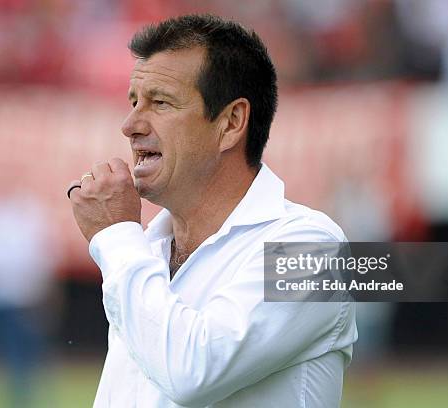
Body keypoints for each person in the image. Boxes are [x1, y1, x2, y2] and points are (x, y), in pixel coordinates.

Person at [68, 14, 357, 408]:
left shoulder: (312, 249)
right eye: (134, 101)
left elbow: (192, 372)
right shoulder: (146, 249)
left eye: (161, 102)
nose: (130, 124)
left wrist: (115, 235)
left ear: (232, 123)